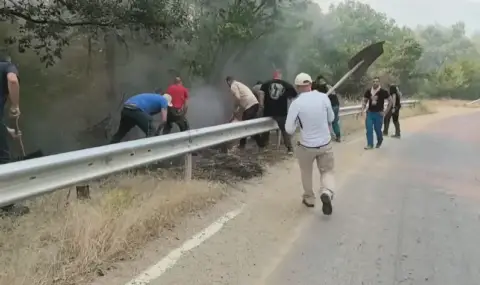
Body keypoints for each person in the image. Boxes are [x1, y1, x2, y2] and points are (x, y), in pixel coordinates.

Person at [285, 72, 335, 215]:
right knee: (327, 171)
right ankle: (326, 192)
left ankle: (309, 198)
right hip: (325, 144)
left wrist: (297, 123)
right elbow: (331, 118)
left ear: (297, 87)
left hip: (306, 146)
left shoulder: (296, 103)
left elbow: (289, 129)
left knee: (306, 172)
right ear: (311, 84)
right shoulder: (323, 97)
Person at [0, 54, 30, 216]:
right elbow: (12, 79)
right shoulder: (7, 67)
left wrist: (7, 129)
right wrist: (15, 105)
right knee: (3, 161)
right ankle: (7, 207)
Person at [258, 70, 297, 154]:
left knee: (265, 129)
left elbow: (261, 94)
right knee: (284, 130)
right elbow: (294, 95)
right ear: (280, 76)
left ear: (273, 75)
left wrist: (261, 105)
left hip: (268, 111)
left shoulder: (266, 84)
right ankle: (290, 149)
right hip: (281, 112)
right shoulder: (286, 84)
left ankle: (263, 146)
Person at [225, 76, 265, 150]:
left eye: (227, 83)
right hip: (254, 104)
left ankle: (242, 145)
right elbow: (241, 101)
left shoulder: (233, 85)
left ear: (228, 81)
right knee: (249, 125)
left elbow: (238, 98)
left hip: (250, 106)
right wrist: (234, 113)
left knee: (244, 125)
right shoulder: (239, 84)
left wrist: (234, 107)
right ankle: (260, 144)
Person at [361, 77, 391, 149]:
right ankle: (370, 144)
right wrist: (362, 110)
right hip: (370, 113)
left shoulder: (383, 92)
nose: (375, 83)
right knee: (369, 129)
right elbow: (364, 101)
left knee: (377, 129)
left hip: (379, 113)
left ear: (379, 82)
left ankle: (380, 140)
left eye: (377, 81)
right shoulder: (368, 91)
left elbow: (391, 101)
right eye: (374, 81)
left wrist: (385, 112)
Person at [313, 75, 341, 142]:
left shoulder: (321, 87)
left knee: (326, 121)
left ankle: (326, 137)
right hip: (336, 105)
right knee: (335, 122)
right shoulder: (329, 85)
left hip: (330, 106)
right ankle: (338, 136)